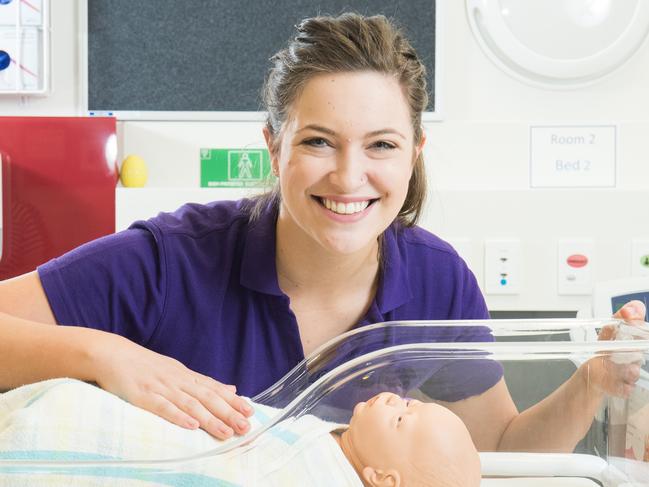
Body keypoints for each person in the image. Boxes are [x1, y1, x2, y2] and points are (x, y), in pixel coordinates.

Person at [0, 12, 645, 453]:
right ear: (273, 148)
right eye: (318, 141)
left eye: (381, 145)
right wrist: (104, 355)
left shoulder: (435, 281)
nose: (348, 175)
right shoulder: (170, 262)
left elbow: (498, 449)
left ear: (414, 153)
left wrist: (592, 382)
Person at [0, 379, 479, 487]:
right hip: (143, 420)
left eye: (401, 419)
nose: (397, 399)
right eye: (411, 403)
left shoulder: (324, 473)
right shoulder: (328, 436)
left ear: (380, 478)